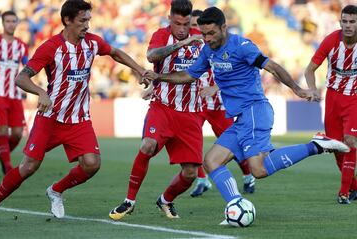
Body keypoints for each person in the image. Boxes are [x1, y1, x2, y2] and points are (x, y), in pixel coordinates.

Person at [144, 6, 350, 223]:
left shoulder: (242, 46)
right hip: (241, 118)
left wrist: (297, 90)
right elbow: (188, 74)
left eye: (211, 33)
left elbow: (272, 66)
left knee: (258, 170)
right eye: (203, 34)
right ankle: (236, 204)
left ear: (224, 27)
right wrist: (159, 77)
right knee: (212, 161)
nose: (206, 38)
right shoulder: (208, 50)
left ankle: (315, 145)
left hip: (255, 111)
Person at [0, 0, 148, 218]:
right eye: (82, 21)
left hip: (78, 119)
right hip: (50, 118)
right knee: (28, 167)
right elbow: (22, 77)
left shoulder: (92, 43)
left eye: (89, 20)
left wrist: (140, 69)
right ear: (67, 20)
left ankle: (56, 190)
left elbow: (115, 52)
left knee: (91, 164)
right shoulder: (51, 47)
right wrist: (41, 92)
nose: (87, 25)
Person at [109, 0, 205, 220]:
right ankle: (129, 201)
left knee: (190, 173)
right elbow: (152, 56)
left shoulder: (201, 38)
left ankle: (165, 200)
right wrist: (182, 44)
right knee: (148, 145)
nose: (182, 28)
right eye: (177, 23)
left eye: (186, 23)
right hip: (162, 107)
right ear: (170, 18)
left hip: (190, 112)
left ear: (191, 20)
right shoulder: (162, 35)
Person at [189, 9, 255, 197]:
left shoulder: (216, 45)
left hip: (219, 105)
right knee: (193, 143)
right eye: (192, 26)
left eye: (196, 26)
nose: (194, 30)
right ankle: (202, 180)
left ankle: (248, 175)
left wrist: (215, 88)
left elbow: (231, 72)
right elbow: (184, 73)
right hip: (198, 104)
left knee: (233, 147)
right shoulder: (190, 46)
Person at [304, 4, 357, 204]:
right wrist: (312, 89)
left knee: (350, 141)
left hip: (354, 99)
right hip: (333, 99)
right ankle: (354, 187)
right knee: (336, 147)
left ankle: (343, 193)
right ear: (340, 22)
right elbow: (309, 70)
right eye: (345, 21)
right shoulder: (331, 41)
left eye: (352, 22)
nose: (348, 26)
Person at [0, 11, 28, 175]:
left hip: (15, 95)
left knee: (17, 134)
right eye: (7, 21)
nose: (10, 24)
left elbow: (28, 67)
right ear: (3, 23)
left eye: (13, 21)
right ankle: (8, 167)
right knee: (2, 130)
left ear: (17, 23)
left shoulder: (22, 46)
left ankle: (2, 154)